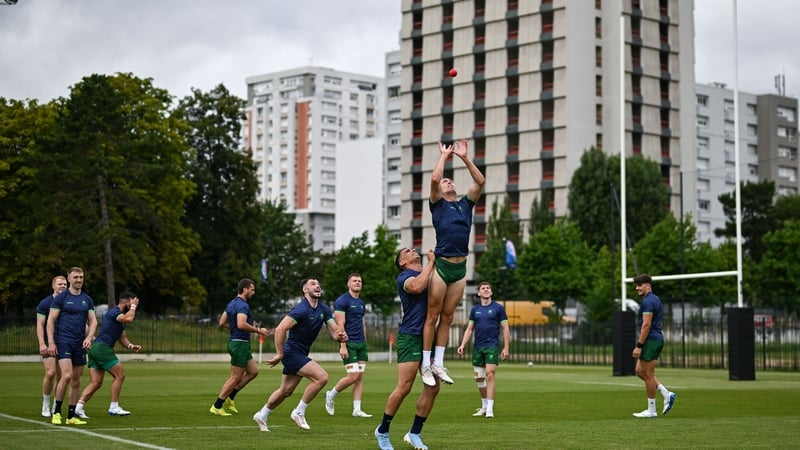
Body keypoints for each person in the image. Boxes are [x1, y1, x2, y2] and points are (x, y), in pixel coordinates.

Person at [422, 138, 485, 386]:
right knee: (432, 316)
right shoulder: (437, 205)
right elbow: (435, 180)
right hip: (442, 265)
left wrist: (464, 157)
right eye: (447, 180)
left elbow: (480, 181)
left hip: (460, 268)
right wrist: (444, 156)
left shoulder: (465, 204)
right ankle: (426, 366)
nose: (448, 181)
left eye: (452, 180)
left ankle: (438, 362)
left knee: (447, 317)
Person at [252, 278, 347, 432]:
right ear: (305, 290)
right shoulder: (301, 309)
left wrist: (340, 337)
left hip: (300, 353)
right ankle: (299, 412)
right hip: (291, 353)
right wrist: (280, 353)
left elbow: (334, 331)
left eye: (318, 283)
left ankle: (262, 415)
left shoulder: (323, 309)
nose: (317, 285)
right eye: (312, 284)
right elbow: (281, 329)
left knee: (286, 391)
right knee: (321, 377)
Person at [375, 247, 439, 450]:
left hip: (428, 337)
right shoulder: (404, 276)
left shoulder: (426, 273)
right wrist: (431, 262)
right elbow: (418, 287)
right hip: (410, 336)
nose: (413, 250)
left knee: (433, 387)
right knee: (405, 386)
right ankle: (382, 431)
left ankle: (414, 433)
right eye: (408, 251)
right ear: (402, 262)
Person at [210, 278, 273, 416]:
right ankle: (217, 405)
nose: (253, 292)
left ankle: (230, 397)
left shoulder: (232, 303)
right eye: (252, 289)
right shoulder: (243, 306)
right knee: (235, 378)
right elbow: (241, 324)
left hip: (238, 342)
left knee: (253, 371)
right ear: (244, 289)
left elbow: (222, 322)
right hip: (239, 343)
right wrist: (258, 330)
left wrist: (235, 330)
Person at [74, 291, 142, 418]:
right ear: (126, 302)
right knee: (120, 376)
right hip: (102, 349)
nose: (134, 305)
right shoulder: (115, 312)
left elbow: (122, 338)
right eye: (132, 302)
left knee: (96, 382)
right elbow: (129, 318)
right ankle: (114, 407)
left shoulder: (119, 317)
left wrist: (131, 346)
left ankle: (78, 407)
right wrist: (133, 307)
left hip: (96, 349)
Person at [46, 266, 98, 425]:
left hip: (79, 343)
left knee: (76, 380)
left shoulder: (87, 299)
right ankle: (56, 412)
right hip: (64, 341)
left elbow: (93, 321)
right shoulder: (61, 298)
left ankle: (70, 416)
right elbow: (50, 320)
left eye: (81, 277)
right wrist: (51, 342)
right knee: (66, 375)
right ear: (69, 279)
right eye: (76, 277)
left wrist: (89, 337)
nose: (79, 280)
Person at [456, 281, 510, 419]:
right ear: (479, 293)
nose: (486, 290)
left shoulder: (498, 308)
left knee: (490, 374)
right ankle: (484, 406)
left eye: (488, 288)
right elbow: (469, 329)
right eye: (483, 288)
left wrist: (506, 347)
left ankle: (490, 409)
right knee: (479, 378)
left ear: (491, 292)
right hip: (477, 347)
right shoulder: (475, 310)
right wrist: (462, 344)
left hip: (492, 346)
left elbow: (505, 327)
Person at [324, 273, 373, 418]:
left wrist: (364, 341)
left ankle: (357, 409)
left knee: (359, 377)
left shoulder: (361, 302)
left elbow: (362, 322)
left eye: (360, 281)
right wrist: (343, 345)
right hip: (349, 344)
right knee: (353, 376)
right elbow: (340, 325)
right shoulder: (342, 301)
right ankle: (330, 395)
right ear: (348, 284)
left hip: (361, 344)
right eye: (355, 281)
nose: (358, 283)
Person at [631, 274, 677, 418]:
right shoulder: (655, 299)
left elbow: (646, 325)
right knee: (639, 371)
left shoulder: (648, 302)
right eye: (636, 285)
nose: (637, 288)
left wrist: (639, 345)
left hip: (651, 340)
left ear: (648, 285)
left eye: (640, 285)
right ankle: (666, 393)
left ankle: (652, 410)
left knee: (648, 375)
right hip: (654, 339)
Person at [35, 275, 68, 417]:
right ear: (53, 286)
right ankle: (45, 403)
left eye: (65, 284)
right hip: (49, 342)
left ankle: (56, 404)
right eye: (60, 284)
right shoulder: (45, 303)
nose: (62, 286)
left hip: (65, 342)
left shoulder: (69, 301)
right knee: (50, 373)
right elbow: (40, 324)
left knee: (63, 376)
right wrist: (42, 343)